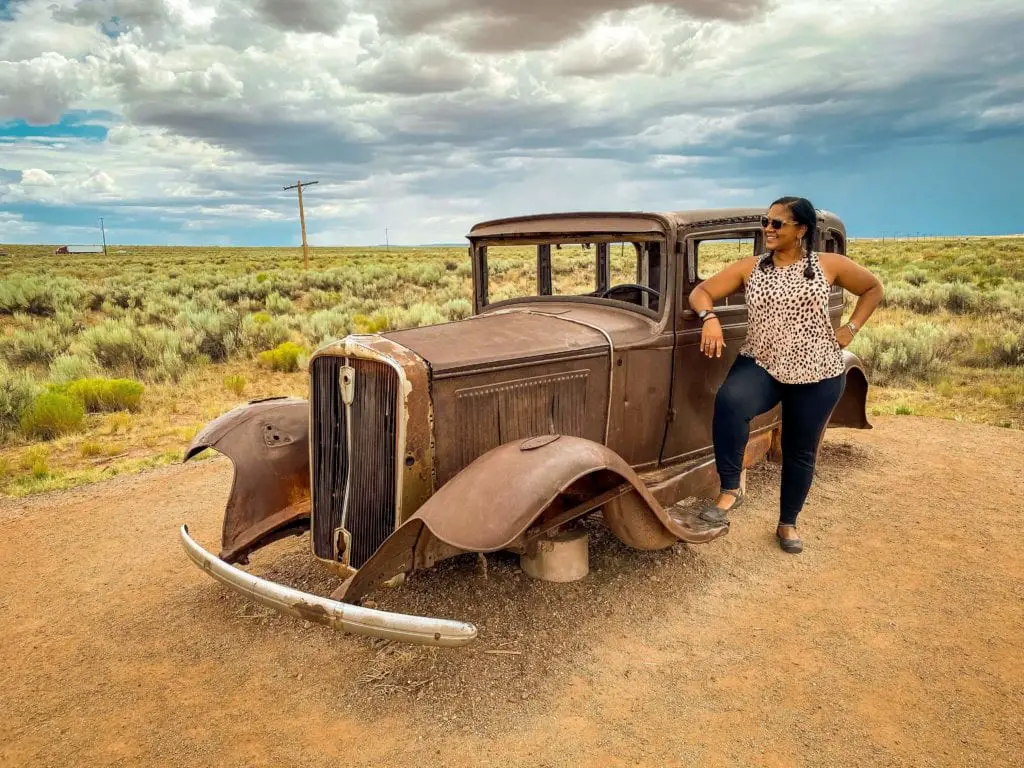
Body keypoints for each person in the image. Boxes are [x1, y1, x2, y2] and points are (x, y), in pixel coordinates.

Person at [688, 196, 884, 553]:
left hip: (818, 369)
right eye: (766, 222)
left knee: (799, 448)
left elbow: (874, 288)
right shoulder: (751, 268)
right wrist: (709, 318)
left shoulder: (829, 264)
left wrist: (852, 328)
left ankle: (788, 522)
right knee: (730, 402)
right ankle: (730, 489)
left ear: (801, 230)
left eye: (778, 223)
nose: (769, 229)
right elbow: (702, 292)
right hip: (763, 362)